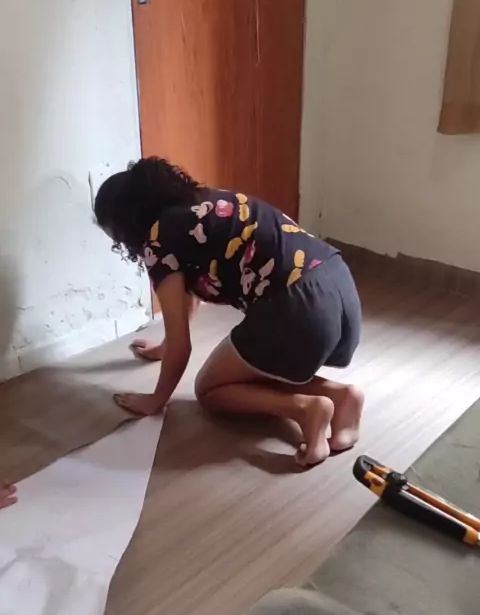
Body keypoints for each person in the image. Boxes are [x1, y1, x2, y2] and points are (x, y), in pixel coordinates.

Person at [94, 158, 363, 466]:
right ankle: (343, 397)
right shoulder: (203, 202)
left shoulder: (157, 242)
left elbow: (182, 348)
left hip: (298, 311)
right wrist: (164, 347)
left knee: (210, 388)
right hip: (339, 289)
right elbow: (188, 294)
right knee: (257, 368)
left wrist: (155, 401)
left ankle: (306, 410)